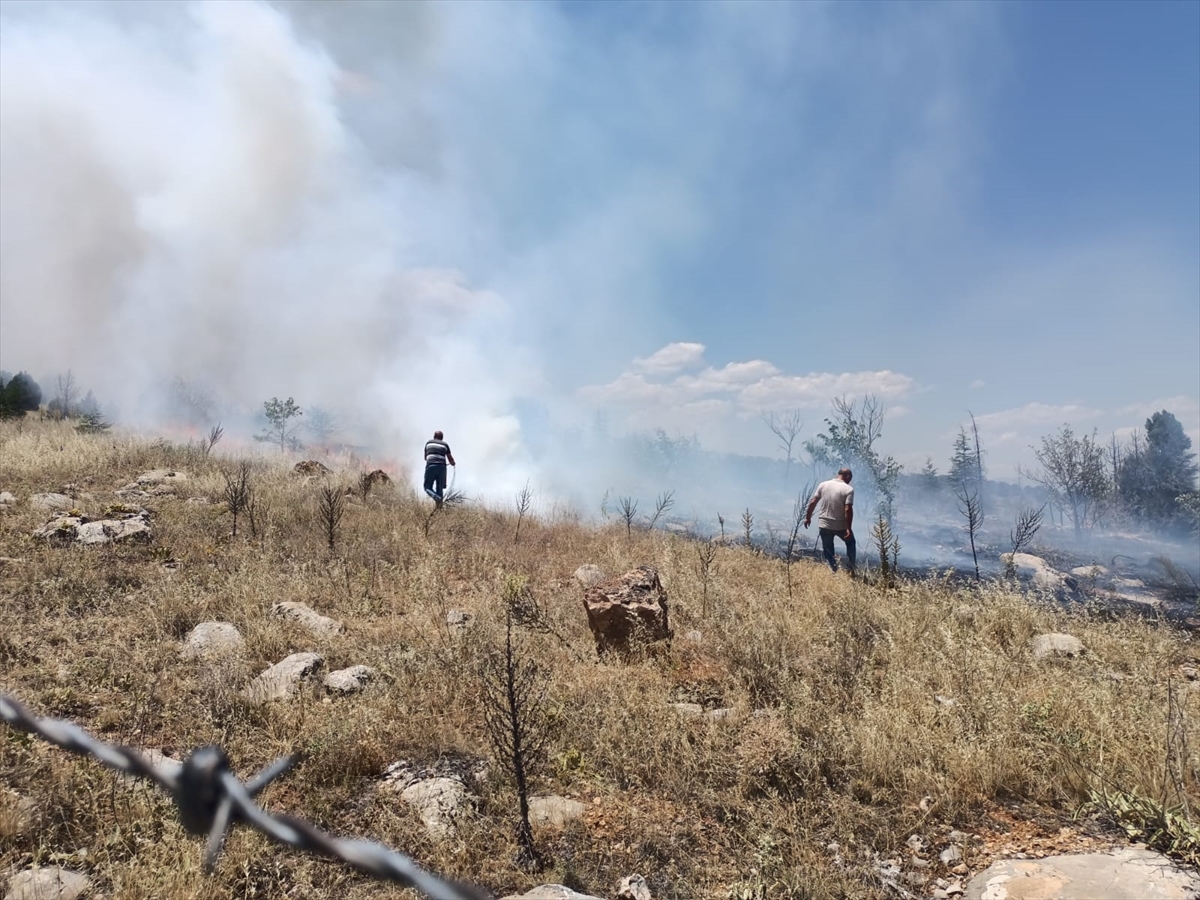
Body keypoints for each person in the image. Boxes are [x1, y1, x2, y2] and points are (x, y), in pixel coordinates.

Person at [804, 467, 856, 575]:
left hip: (824, 524)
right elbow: (848, 509)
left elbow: (813, 502)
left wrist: (808, 517)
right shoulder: (848, 489)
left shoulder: (823, 484)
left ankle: (833, 571)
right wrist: (848, 528)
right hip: (840, 525)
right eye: (850, 478)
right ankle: (851, 568)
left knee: (828, 550)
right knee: (851, 543)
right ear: (848, 476)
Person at [423, 430, 455, 505]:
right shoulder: (445, 444)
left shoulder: (428, 443)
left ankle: (437, 498)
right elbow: (450, 459)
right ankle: (439, 507)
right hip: (442, 468)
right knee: (439, 488)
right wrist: (453, 463)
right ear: (442, 438)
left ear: (434, 436)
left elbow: (425, 457)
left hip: (431, 466)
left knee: (427, 487)